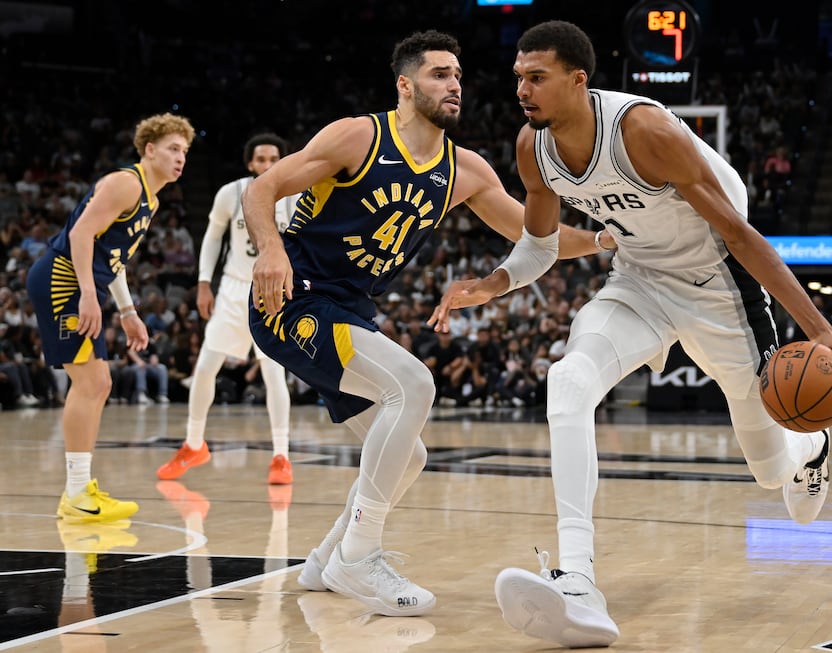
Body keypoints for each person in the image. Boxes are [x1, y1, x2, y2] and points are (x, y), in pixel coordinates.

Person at [427, 21, 832, 648]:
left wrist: (822, 332)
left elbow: (740, 237)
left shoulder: (645, 132)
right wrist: (493, 284)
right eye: (519, 77)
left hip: (719, 283)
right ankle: (577, 579)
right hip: (638, 281)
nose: (523, 89)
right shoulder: (533, 147)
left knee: (767, 472)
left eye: (537, 77)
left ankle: (807, 450)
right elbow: (539, 245)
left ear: (579, 80)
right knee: (568, 380)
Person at [241, 30, 611, 618]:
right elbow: (262, 188)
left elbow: (535, 234)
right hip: (294, 300)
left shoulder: (463, 170)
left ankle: (324, 560)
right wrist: (270, 249)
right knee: (413, 385)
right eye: (440, 74)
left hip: (348, 310)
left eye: (458, 75)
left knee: (408, 457)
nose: (455, 84)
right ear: (405, 85)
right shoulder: (358, 136)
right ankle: (359, 555)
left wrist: (605, 239)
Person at [26, 112, 195, 523]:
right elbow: (81, 235)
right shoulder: (126, 183)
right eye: (173, 149)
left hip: (81, 282)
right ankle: (77, 494)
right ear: (149, 150)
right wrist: (87, 291)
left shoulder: (150, 199)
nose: (181, 158)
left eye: (185, 152)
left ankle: (80, 490)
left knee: (97, 384)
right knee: (92, 381)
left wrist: (127, 311)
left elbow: (112, 259)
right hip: (62, 278)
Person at [156, 133, 298, 485]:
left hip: (273, 289)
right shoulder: (231, 193)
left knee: (274, 373)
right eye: (260, 159)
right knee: (204, 367)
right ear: (250, 163)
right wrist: (204, 282)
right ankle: (193, 444)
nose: (267, 165)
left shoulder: (295, 195)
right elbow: (212, 238)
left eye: (273, 159)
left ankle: (281, 456)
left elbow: (302, 243)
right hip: (234, 288)